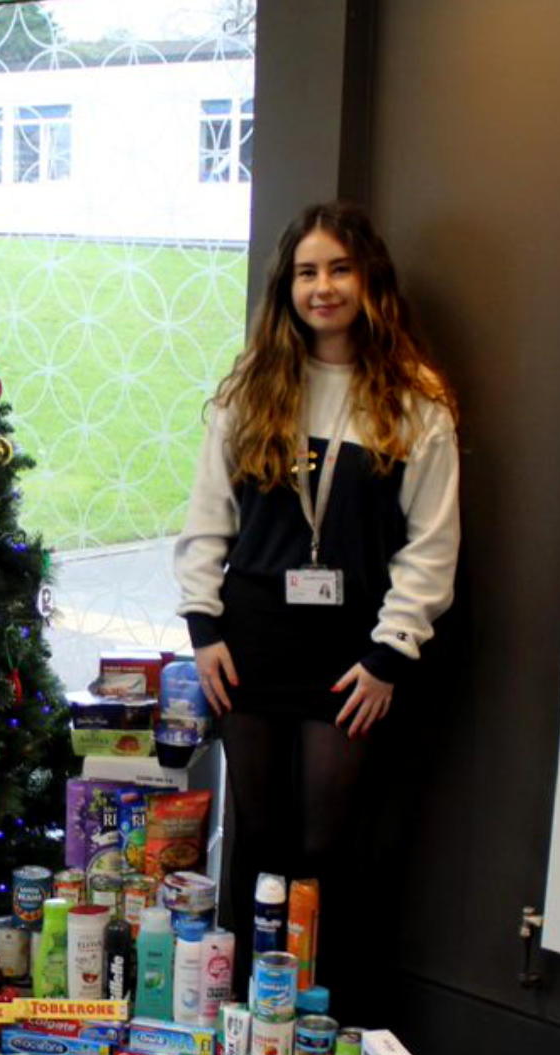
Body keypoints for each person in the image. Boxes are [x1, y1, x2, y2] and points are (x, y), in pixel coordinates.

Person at [173, 201, 460, 1006]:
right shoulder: (254, 388)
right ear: (287, 287)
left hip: (351, 656)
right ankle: (235, 1021)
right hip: (252, 642)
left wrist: (388, 655)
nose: (322, 287)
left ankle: (315, 1020)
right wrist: (204, 628)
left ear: (368, 281)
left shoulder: (414, 401)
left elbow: (431, 547)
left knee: (327, 845)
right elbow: (206, 519)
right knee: (257, 839)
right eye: (306, 272)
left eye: (338, 269)